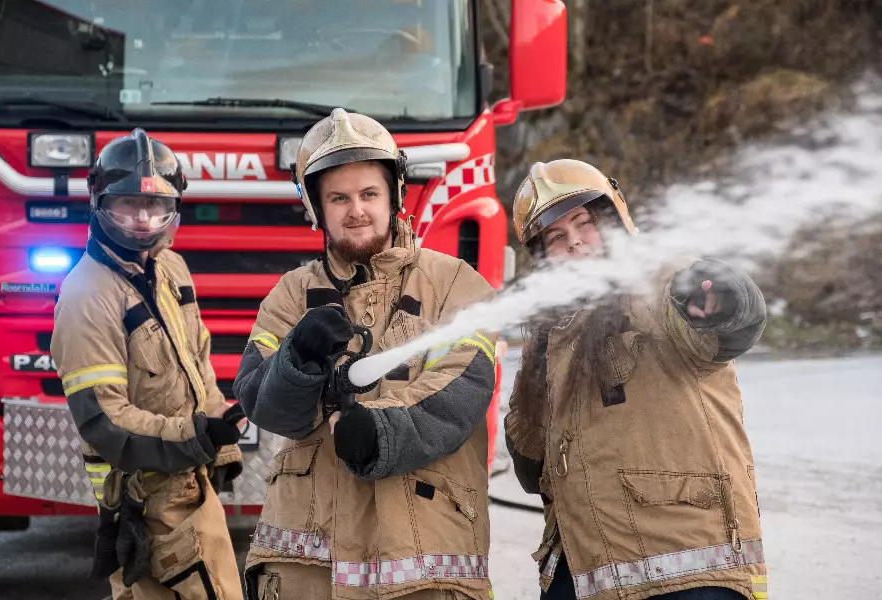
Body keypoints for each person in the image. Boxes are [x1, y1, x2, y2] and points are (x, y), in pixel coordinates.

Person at [234, 108, 497, 600]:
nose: (356, 210)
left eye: (369, 194)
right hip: (307, 574)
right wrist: (298, 358)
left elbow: (461, 392)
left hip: (421, 574)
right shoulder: (291, 295)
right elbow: (262, 403)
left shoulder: (456, 284)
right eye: (339, 198)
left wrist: (379, 432)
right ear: (317, 209)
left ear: (394, 195)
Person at [504, 159, 769, 600]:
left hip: (689, 573)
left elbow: (726, 324)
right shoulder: (549, 339)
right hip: (586, 572)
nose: (575, 242)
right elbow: (532, 470)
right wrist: (532, 384)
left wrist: (715, 301)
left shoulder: (658, 282)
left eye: (584, 223)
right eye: (556, 237)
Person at [51, 128, 246, 600]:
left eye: (156, 206)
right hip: (144, 499)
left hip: (191, 486)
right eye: (128, 205)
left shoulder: (171, 268)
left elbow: (198, 364)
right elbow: (105, 422)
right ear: (99, 201)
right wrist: (196, 437)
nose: (143, 220)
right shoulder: (86, 294)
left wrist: (220, 441)